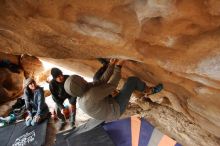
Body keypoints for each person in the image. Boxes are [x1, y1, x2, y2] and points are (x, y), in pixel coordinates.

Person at [64, 59, 163, 121]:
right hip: (115, 110)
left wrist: (111, 65)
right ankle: (149, 91)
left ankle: (140, 91)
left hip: (107, 107)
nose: (83, 78)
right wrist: (118, 67)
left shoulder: (83, 92)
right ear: (80, 85)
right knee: (132, 81)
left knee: (117, 88)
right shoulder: (90, 95)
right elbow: (112, 85)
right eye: (80, 79)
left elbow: (101, 81)